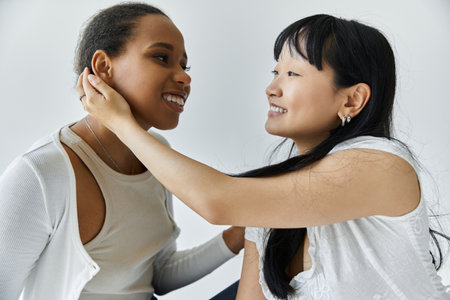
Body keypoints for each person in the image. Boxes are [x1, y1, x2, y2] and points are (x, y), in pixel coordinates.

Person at [79, 13, 450, 299]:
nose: (272, 88)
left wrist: (123, 125)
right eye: (275, 71)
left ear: (352, 99)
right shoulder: (267, 204)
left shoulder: (382, 164)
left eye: (292, 73)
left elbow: (216, 201)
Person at [0, 3, 244, 300]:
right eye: (162, 57)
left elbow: (157, 274)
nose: (184, 77)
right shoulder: (40, 174)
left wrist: (240, 234)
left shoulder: (157, 156)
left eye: (184, 65)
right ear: (103, 67)